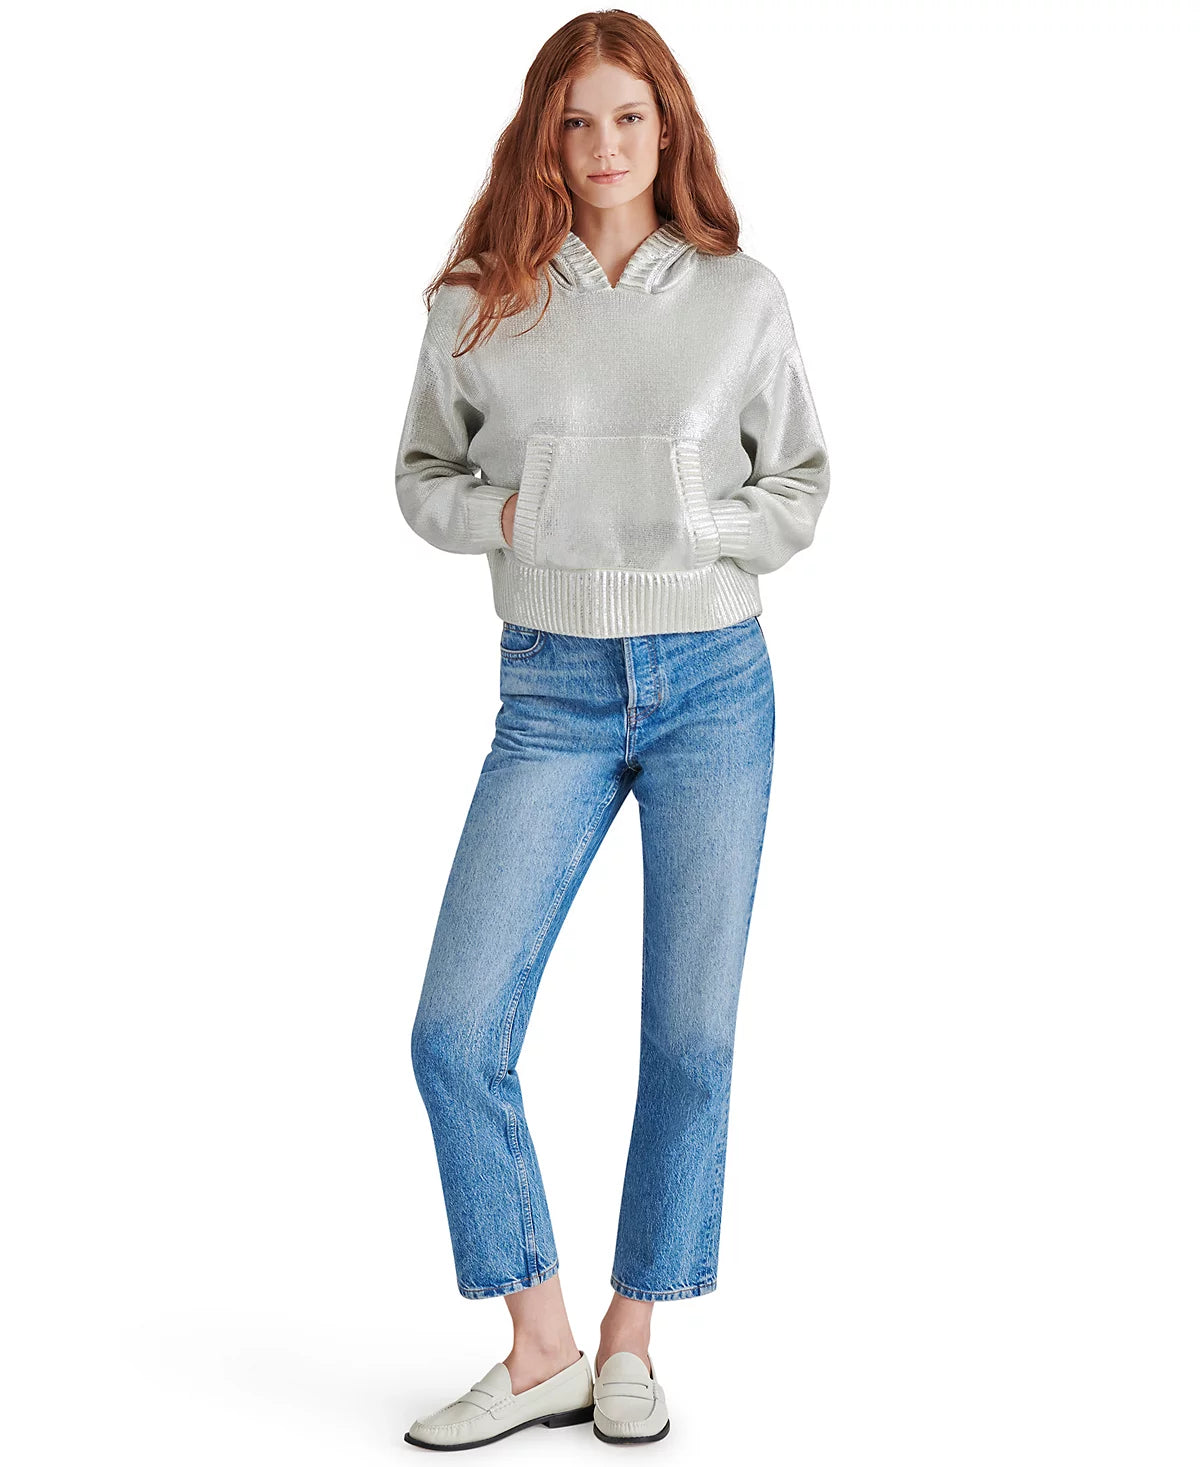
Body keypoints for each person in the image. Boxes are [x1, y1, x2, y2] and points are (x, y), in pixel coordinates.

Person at [393, 11, 829, 1451]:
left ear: (668, 127)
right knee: (456, 1032)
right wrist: (515, 514)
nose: (603, 146)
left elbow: (801, 484)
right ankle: (540, 1348)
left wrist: (699, 521)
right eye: (575, 120)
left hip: (715, 685)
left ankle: (631, 1340)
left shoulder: (741, 296)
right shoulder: (479, 302)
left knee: (691, 1038)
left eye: (628, 117)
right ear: (544, 134)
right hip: (552, 690)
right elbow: (423, 477)